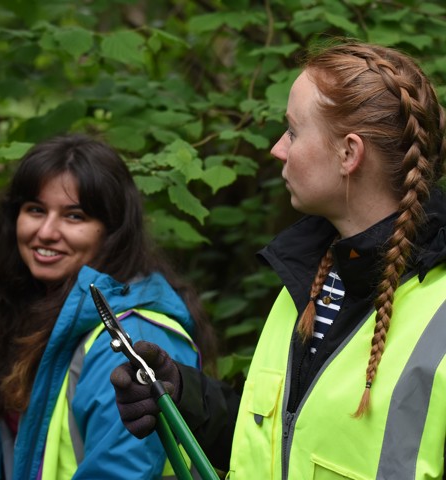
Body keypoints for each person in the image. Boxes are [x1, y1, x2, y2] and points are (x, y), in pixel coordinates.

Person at [110, 40, 446, 479]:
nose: (277, 149)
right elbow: (283, 445)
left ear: (349, 153)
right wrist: (180, 394)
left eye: (292, 131)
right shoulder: (313, 275)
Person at [0, 133, 216, 479]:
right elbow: (28, 452)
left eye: (74, 216)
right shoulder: (39, 311)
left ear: (111, 231)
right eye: (36, 210)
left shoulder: (129, 339)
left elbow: (121, 472)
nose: (47, 232)